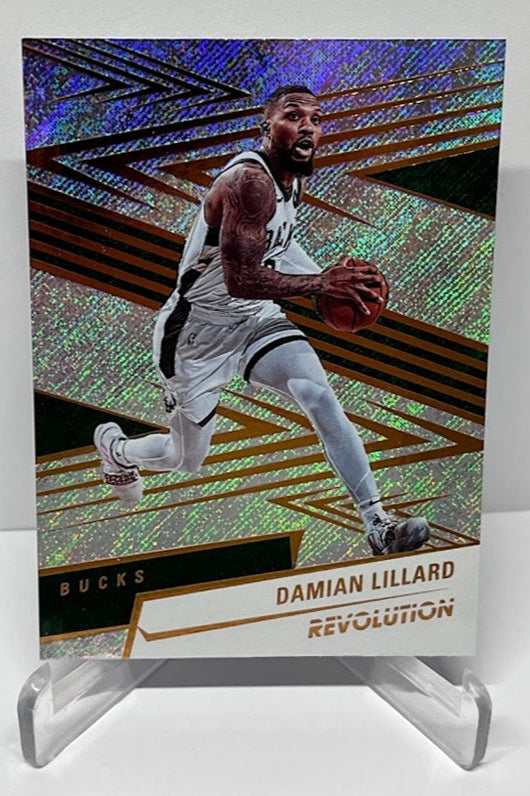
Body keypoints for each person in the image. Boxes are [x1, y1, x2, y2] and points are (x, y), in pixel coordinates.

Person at [94, 85, 430, 557]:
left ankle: (378, 524)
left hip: (256, 319)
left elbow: (278, 245)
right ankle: (116, 450)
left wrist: (323, 281)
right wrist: (321, 283)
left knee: (318, 396)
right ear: (266, 127)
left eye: (315, 118)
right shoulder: (249, 182)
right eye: (294, 116)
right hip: (197, 333)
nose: (307, 126)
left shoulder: (291, 178)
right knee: (184, 459)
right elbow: (241, 279)